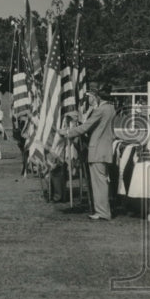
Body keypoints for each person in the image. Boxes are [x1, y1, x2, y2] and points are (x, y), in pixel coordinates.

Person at [59, 83, 116, 221]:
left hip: (97, 150)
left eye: (91, 96)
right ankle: (102, 210)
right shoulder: (111, 108)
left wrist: (67, 132)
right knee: (101, 182)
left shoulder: (100, 110)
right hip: (104, 149)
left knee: (99, 183)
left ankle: (103, 212)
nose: (89, 99)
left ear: (97, 97)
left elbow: (85, 127)